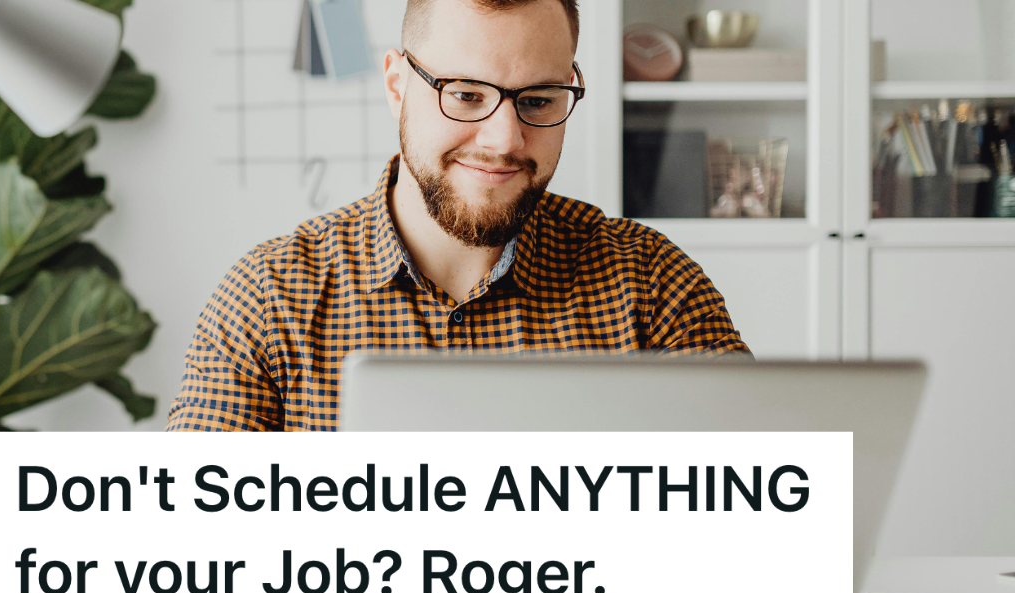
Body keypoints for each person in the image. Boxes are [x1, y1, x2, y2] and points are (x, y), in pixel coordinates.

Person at [166, 0, 749, 432]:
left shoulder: (652, 283)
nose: (504, 141)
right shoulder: (268, 297)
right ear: (397, 85)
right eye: (467, 94)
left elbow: (770, 513)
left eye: (539, 99)